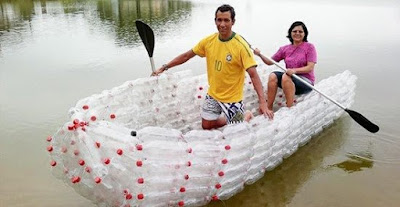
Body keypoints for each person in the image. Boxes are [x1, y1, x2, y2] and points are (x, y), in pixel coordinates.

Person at [151, 4, 271, 130]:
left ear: (233, 22)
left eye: (226, 20)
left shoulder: (240, 45)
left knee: (236, 132)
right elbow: (186, 56)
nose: (222, 24)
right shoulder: (209, 41)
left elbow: (253, 75)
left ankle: (246, 115)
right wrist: (164, 67)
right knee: (206, 126)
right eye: (219, 20)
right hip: (214, 94)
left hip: (233, 98)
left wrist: (263, 102)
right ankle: (228, 119)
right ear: (215, 21)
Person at [253, 21, 317, 114]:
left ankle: (289, 109)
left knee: (285, 76)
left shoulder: (310, 47)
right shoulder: (284, 49)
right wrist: (259, 54)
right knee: (273, 76)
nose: (297, 33)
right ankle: (268, 108)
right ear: (290, 33)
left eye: (300, 31)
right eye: (295, 31)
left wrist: (294, 71)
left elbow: (310, 67)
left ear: (305, 34)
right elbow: (270, 62)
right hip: (289, 77)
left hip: (305, 81)